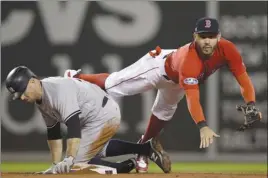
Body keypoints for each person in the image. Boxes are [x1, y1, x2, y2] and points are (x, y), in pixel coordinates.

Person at [64, 17, 262, 173]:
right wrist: (202, 126)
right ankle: (76, 76)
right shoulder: (189, 60)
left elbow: (243, 78)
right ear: (195, 37)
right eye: (203, 36)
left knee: (164, 113)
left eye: (211, 36)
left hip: (177, 80)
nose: (207, 41)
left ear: (219, 36)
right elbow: (193, 97)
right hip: (157, 68)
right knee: (114, 84)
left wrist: (251, 103)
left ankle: (144, 148)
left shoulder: (228, 49)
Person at [5, 66, 171, 174]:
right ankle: (145, 148)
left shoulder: (55, 90)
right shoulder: (42, 98)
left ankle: (123, 167)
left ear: (33, 82)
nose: (22, 97)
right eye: (18, 95)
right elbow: (54, 132)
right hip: (97, 114)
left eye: (22, 91)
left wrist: (69, 158)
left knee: (76, 164)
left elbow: (73, 125)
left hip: (102, 114)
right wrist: (55, 165)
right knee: (94, 150)